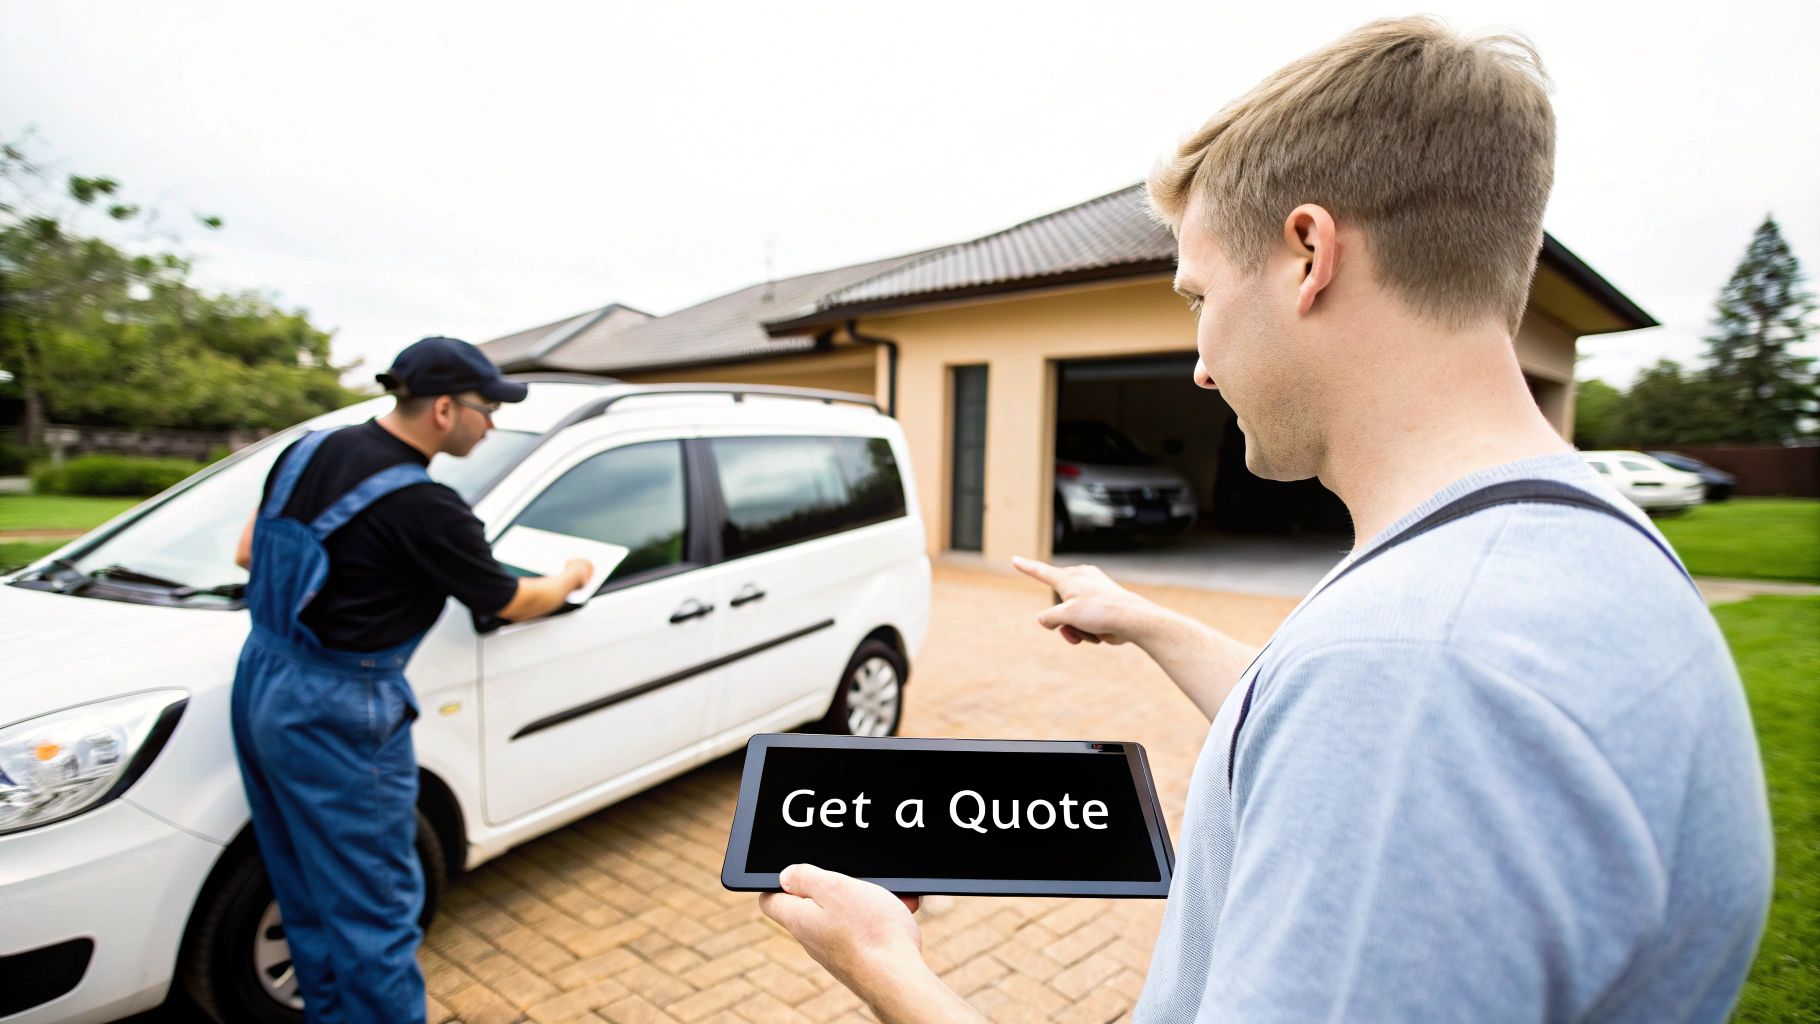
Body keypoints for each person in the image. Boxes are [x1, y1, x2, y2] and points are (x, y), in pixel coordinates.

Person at [758, 17, 1773, 1022]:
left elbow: (1388, 709)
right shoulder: (1564, 545)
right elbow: (1324, 725)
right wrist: (1146, 620)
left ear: (1305, 253)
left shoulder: (1412, 673)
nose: (1198, 363)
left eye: (1197, 293)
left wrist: (887, 965)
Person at [230, 336, 592, 1023]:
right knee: (375, 909)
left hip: (263, 677)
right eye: (488, 410)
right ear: (446, 410)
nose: (492, 425)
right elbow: (510, 601)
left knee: (303, 883)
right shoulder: (427, 507)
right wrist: (571, 576)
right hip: (337, 707)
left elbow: (250, 548)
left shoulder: (306, 450)